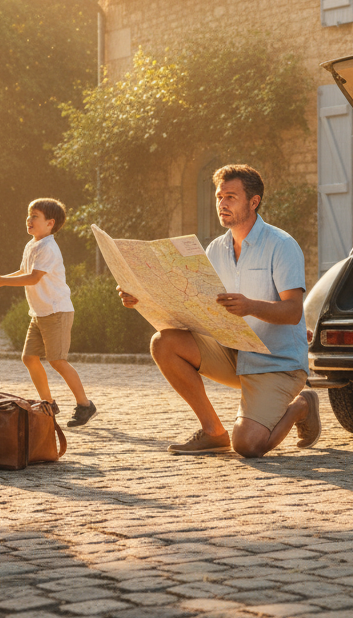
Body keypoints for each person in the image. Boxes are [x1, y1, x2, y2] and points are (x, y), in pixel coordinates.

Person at [118, 164, 319, 457]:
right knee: (165, 343)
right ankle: (213, 432)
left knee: (248, 446)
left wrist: (249, 306)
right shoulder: (214, 250)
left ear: (254, 201)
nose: (222, 204)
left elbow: (292, 312)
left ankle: (302, 406)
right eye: (219, 196)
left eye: (231, 197)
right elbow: (190, 303)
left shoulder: (282, 245)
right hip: (234, 354)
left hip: (277, 363)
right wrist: (141, 297)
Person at [0, 198, 97, 427]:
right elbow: (25, 271)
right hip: (39, 312)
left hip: (56, 311)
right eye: (29, 215)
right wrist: (0, 280)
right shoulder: (32, 244)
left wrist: (3, 281)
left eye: (35, 216)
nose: (29, 219)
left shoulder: (49, 248)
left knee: (57, 361)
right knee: (29, 357)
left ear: (50, 223)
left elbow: (34, 277)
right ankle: (48, 405)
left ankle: (85, 405)